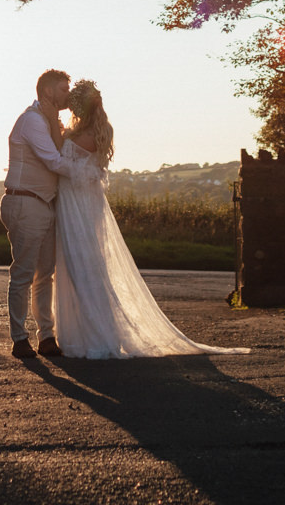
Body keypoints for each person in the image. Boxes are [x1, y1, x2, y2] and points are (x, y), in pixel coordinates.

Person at [52, 79, 250, 359]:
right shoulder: (95, 130)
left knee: (83, 267)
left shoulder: (81, 135)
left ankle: (97, 338)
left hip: (79, 204)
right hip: (82, 202)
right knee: (83, 266)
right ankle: (85, 336)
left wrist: (58, 134)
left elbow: (67, 163)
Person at [0, 68, 73, 359]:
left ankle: (46, 336)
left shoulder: (51, 122)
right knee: (23, 274)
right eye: (63, 89)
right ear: (47, 92)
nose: (68, 94)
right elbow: (55, 161)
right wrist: (87, 174)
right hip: (25, 202)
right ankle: (19, 339)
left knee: (45, 276)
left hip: (46, 204)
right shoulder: (31, 121)